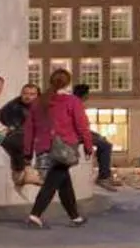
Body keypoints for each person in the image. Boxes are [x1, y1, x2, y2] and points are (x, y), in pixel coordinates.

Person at [23, 68, 92, 227]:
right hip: (64, 148)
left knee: (63, 183)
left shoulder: (38, 103)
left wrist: (27, 152)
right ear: (68, 82)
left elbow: (29, 129)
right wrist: (88, 147)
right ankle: (35, 214)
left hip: (43, 148)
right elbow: (82, 126)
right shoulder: (72, 101)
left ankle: (75, 217)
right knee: (53, 183)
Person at [70, 83, 118, 188]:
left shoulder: (74, 103)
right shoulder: (76, 104)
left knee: (103, 142)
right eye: (88, 94)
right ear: (85, 95)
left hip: (77, 132)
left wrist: (97, 135)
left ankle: (104, 173)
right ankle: (103, 177)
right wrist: (89, 144)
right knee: (106, 146)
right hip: (76, 135)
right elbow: (80, 127)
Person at [0, 82, 39, 190]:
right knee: (20, 140)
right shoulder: (13, 106)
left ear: (37, 95)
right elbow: (14, 126)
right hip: (12, 133)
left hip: (25, 133)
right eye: (25, 93)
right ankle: (23, 170)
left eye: (31, 94)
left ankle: (28, 172)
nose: (27, 96)